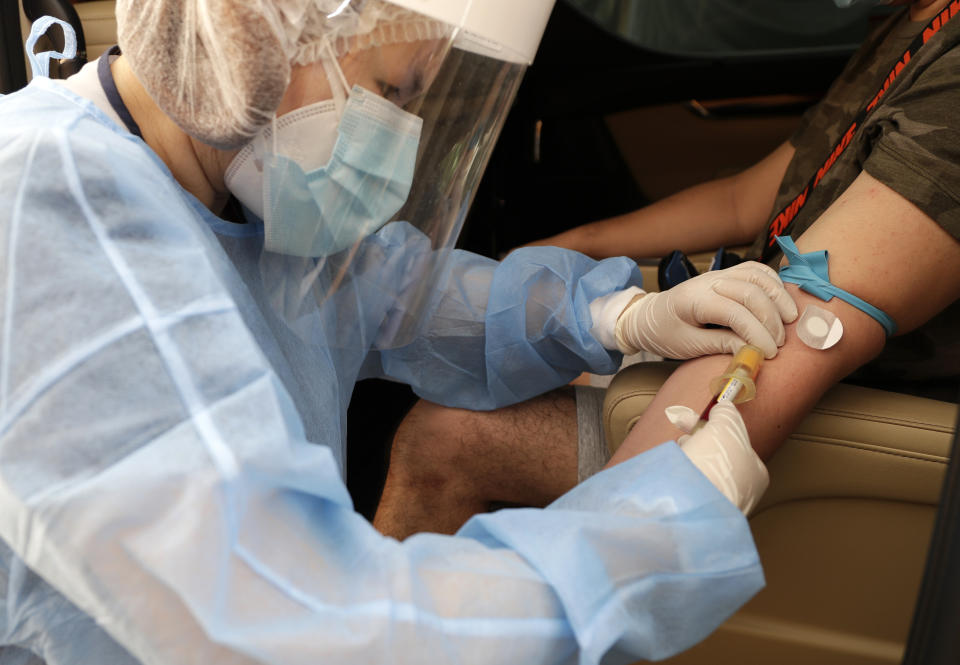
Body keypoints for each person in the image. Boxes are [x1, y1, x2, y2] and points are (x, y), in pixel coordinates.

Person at [0, 1, 801, 664]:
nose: (398, 131)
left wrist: (614, 316)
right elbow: (306, 626)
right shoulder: (52, 199)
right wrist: (645, 539)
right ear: (253, 31)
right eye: (393, 88)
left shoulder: (237, 199)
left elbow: (401, 293)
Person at [375, 0, 960, 539]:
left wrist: (604, 550)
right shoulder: (910, 20)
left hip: (868, 413)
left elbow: (790, 336)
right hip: (796, 365)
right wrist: (581, 254)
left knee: (446, 437)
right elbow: (749, 198)